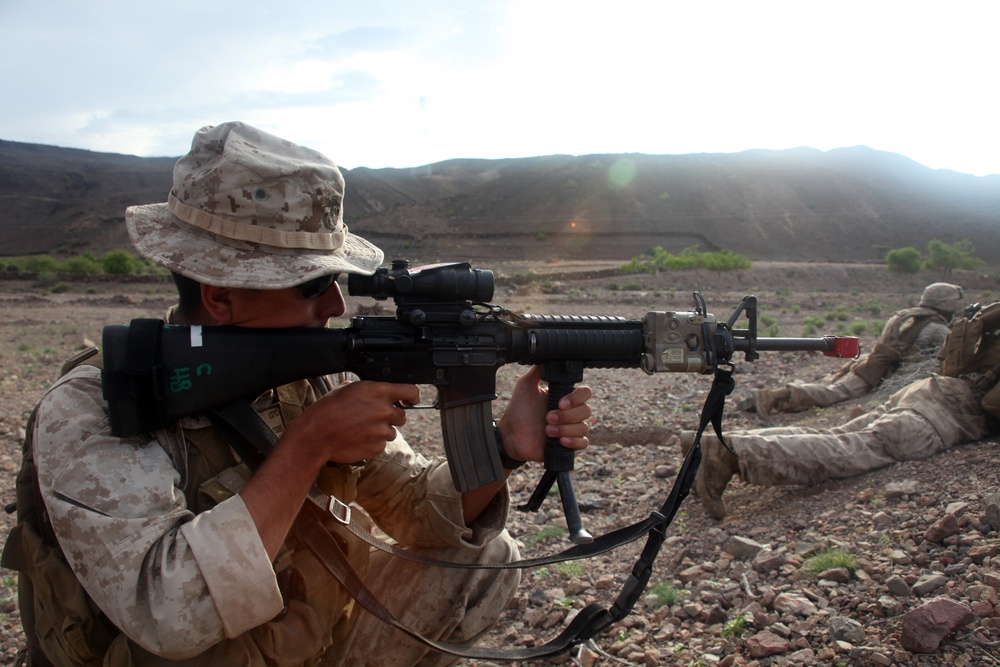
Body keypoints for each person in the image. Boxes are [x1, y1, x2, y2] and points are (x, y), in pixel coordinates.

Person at [1, 122, 594, 666]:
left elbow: (419, 514)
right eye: (312, 286)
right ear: (220, 295)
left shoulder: (308, 376)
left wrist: (507, 449)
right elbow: (169, 610)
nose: (337, 307)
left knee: (483, 559)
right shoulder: (97, 407)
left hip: (301, 648)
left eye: (336, 281)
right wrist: (308, 445)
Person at [682, 299, 1000, 520]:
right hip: (945, 413)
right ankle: (728, 455)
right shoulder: (932, 326)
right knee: (852, 447)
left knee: (837, 435)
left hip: (929, 391)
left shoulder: (916, 318)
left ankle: (720, 446)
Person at [741, 282, 967, 416]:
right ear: (946, 304)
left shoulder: (907, 316)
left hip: (869, 363)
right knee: (833, 393)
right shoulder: (936, 329)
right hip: (876, 372)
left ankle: (775, 397)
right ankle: (769, 397)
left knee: (830, 388)